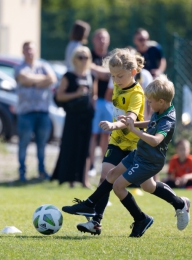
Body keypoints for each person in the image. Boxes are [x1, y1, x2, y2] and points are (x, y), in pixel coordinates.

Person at [62, 75, 190, 238]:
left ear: (162, 101)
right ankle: (179, 203)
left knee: (118, 186)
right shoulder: (163, 108)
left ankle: (140, 218)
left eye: (150, 101)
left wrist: (134, 131)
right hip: (141, 153)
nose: (148, 104)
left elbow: (156, 140)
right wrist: (133, 123)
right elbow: (151, 123)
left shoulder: (167, 119)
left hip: (149, 161)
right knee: (116, 176)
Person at [61, 47, 146, 233]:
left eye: (119, 76)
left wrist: (113, 125)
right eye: (112, 76)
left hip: (133, 145)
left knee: (148, 186)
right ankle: (95, 222)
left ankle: (174, 205)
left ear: (133, 73)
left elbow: (130, 118)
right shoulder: (117, 83)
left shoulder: (137, 94)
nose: (115, 81)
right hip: (117, 141)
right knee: (105, 178)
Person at [51, 46, 97, 188]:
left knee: (86, 148)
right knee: (71, 146)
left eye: (86, 57)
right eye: (80, 57)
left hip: (86, 117)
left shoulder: (91, 76)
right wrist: (76, 94)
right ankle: (70, 180)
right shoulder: (68, 76)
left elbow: (93, 95)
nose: (83, 60)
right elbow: (59, 95)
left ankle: (85, 180)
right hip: (72, 116)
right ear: (74, 59)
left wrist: (93, 109)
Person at [14, 41, 57, 182]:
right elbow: (22, 78)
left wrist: (31, 81)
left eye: (31, 49)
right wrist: (41, 81)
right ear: (23, 51)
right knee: (23, 143)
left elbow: (52, 78)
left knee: (42, 144)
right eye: (27, 50)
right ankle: (22, 172)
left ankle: (42, 171)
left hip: (43, 112)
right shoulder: (19, 67)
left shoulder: (43, 65)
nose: (29, 52)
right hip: (26, 113)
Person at [89, 28, 113, 175]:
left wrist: (99, 72)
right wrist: (106, 72)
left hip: (110, 102)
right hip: (95, 101)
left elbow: (111, 73)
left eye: (104, 38)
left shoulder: (111, 57)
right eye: (99, 37)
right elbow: (91, 69)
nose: (102, 40)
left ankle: (103, 165)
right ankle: (91, 165)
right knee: (93, 134)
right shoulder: (88, 55)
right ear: (94, 40)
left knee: (106, 134)